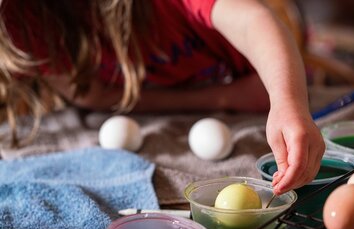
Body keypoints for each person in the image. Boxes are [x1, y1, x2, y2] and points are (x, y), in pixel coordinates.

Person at [0, 0, 325, 195]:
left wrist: (287, 102)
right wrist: (222, 98)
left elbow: (253, 20)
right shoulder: (23, 18)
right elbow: (93, 95)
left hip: (261, 64)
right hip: (231, 90)